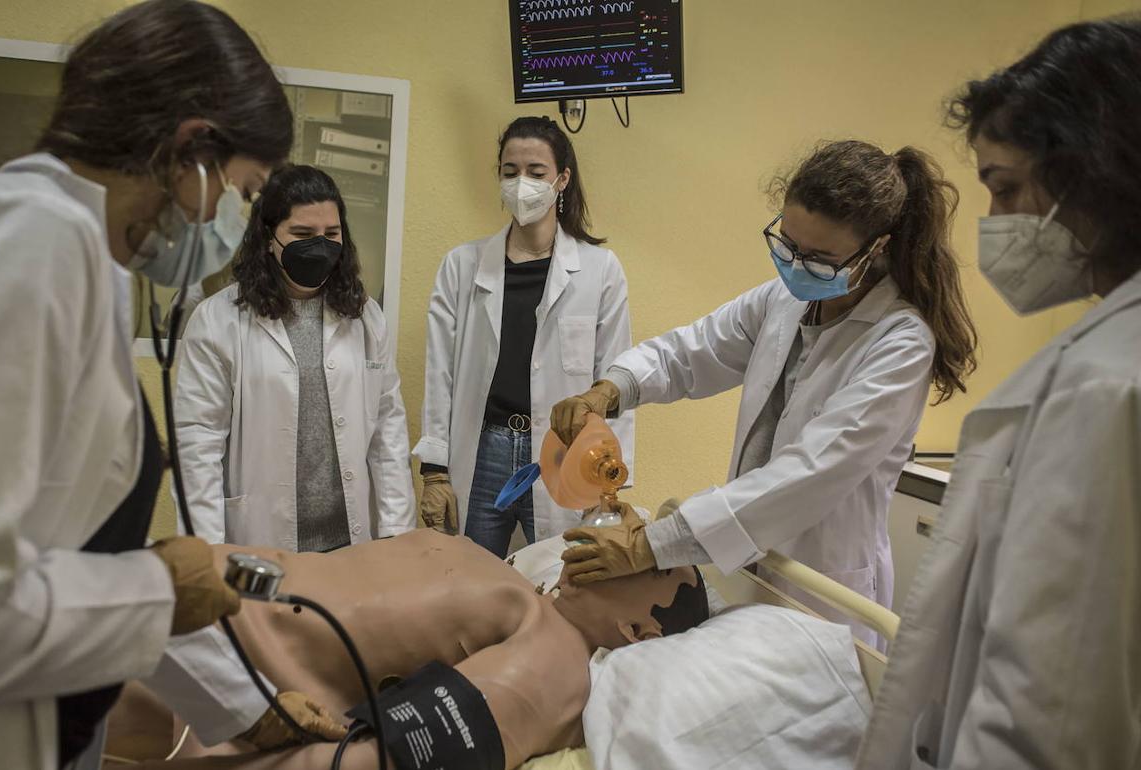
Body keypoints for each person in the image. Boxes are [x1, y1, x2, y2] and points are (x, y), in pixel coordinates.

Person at [0, 2, 295, 768]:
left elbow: (67, 549)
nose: (230, 221)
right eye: (241, 191)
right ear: (193, 151)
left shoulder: (77, 258)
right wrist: (156, 588)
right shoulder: (26, 246)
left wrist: (246, 709)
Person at [554, 139, 978, 646]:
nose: (796, 266)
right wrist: (612, 389)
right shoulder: (784, 299)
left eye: (820, 258)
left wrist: (652, 545)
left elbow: (809, 473)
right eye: (789, 245)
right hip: (753, 570)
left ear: (877, 249)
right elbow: (691, 351)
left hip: (824, 587)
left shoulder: (900, 343)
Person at [857, 18, 1141, 768]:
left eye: (1007, 188)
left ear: (1092, 170)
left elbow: (1047, 713)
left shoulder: (1099, 385)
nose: (995, 225)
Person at [103, 529, 709, 769]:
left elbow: (381, 761)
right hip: (174, 595)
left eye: (647, 563)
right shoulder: (505, 573)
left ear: (639, 632)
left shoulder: (555, 662)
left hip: (189, 688)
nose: (621, 542)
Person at [415, 116, 634, 556]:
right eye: (510, 172)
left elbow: (616, 377)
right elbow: (439, 373)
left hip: (562, 452)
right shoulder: (462, 266)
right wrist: (435, 471)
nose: (522, 184)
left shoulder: (599, 270)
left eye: (536, 173)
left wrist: (613, 477)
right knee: (468, 581)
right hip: (483, 449)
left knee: (559, 578)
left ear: (562, 179)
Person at [175, 164, 416, 552]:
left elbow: (387, 432)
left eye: (331, 234)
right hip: (261, 537)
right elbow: (197, 443)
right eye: (302, 234)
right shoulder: (219, 320)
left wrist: (396, 531)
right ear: (268, 237)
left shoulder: (365, 316)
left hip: (351, 537)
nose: (320, 246)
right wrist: (207, 550)